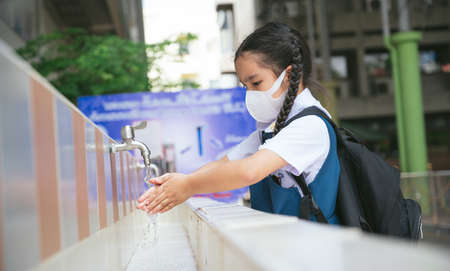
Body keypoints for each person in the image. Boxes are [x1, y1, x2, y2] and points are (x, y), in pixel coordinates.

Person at [136, 22, 340, 224]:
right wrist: (178, 183)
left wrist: (188, 185)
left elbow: (248, 171)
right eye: (245, 86)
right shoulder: (273, 130)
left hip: (315, 248)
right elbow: (226, 163)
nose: (250, 93)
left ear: (287, 76)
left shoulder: (309, 126)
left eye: (256, 83)